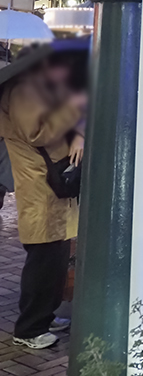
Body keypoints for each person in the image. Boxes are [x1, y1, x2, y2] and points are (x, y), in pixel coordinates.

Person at [0, 42, 87, 350]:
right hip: (40, 187)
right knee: (44, 259)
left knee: (54, 257)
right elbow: (38, 132)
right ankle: (29, 327)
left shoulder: (29, 88)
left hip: (48, 187)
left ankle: (43, 317)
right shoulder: (22, 91)